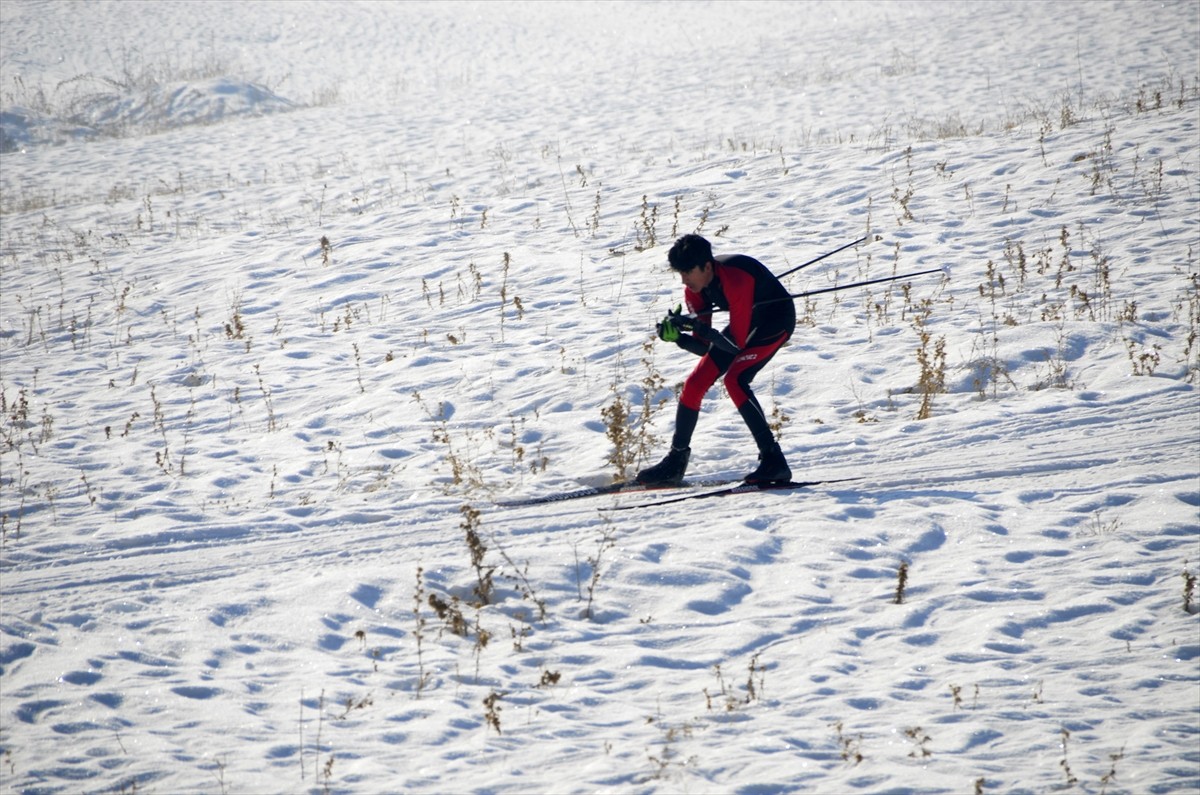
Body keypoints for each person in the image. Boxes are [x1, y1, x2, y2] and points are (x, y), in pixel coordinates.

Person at [637, 234, 797, 486]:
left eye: (688, 272)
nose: (684, 279)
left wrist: (695, 326)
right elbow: (705, 348)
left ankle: (774, 460)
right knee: (695, 383)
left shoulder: (737, 280)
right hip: (748, 324)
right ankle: (676, 461)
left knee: (736, 379)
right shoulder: (695, 289)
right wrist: (678, 337)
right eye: (680, 273)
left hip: (776, 321)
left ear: (707, 266)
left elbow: (736, 346)